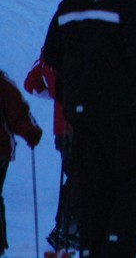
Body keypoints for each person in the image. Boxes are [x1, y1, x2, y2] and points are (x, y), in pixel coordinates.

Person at [42, 0, 136, 258]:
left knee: (92, 188)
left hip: (79, 112)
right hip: (124, 112)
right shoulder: (131, 2)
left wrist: (74, 80)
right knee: (135, 181)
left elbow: (51, 52)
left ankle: (94, 249)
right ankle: (118, 249)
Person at [24, 52, 79, 252]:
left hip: (62, 128)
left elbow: (31, 83)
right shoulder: (82, 48)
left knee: (76, 176)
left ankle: (66, 227)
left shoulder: (48, 54)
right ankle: (67, 228)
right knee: (82, 177)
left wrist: (55, 94)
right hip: (82, 126)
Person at [0, 68, 43, 257]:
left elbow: (18, 114)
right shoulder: (3, 85)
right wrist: (31, 132)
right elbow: (18, 114)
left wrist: (30, 132)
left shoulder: (3, 86)